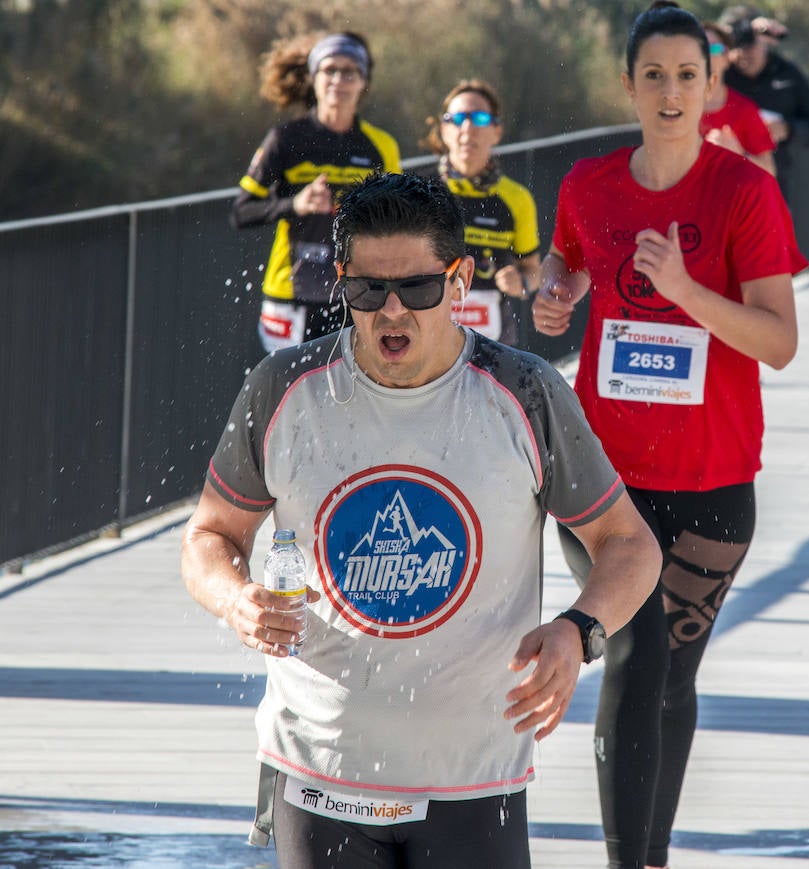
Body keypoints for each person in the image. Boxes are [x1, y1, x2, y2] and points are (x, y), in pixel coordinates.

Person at [182, 172, 661, 869]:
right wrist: (236, 598)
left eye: (420, 287)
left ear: (461, 279)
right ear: (341, 281)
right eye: (368, 291)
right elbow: (208, 537)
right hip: (320, 774)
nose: (392, 311)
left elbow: (628, 544)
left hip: (474, 778)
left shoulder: (525, 392)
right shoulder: (284, 388)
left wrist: (577, 631)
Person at [531, 0, 805, 869]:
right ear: (629, 85)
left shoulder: (746, 192)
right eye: (654, 74)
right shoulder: (589, 184)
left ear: (713, 86)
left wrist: (686, 291)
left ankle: (650, 853)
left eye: (689, 74)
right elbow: (570, 260)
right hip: (602, 476)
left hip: (715, 481)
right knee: (637, 654)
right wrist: (556, 292)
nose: (672, 91)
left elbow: (780, 341)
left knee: (672, 677)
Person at [231, 32, 401, 353]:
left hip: (354, 292)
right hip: (289, 294)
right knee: (287, 395)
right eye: (329, 70)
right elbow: (240, 212)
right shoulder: (284, 139)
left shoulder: (382, 146)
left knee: (348, 395)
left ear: (363, 81)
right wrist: (296, 204)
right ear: (313, 78)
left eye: (349, 71)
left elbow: (394, 219)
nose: (338, 80)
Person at [422, 78, 541, 346]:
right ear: (443, 129)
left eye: (479, 118)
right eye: (457, 118)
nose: (467, 128)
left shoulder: (517, 198)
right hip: (428, 334)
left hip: (492, 337)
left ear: (496, 131)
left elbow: (534, 270)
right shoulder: (419, 189)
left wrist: (521, 282)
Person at [721, 7, 809, 203]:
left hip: (773, 181)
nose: (743, 54)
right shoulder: (720, 74)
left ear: (765, 43)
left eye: (749, 45)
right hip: (723, 183)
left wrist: (788, 129)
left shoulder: (786, 73)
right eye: (736, 46)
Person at [700, 21, 777, 175]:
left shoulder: (745, 109)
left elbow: (770, 171)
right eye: (700, 48)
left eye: (715, 48)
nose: (707, 56)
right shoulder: (673, 109)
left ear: (727, 58)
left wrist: (738, 155)